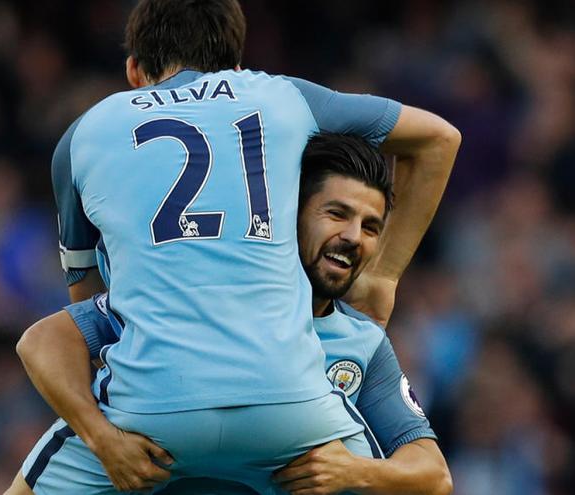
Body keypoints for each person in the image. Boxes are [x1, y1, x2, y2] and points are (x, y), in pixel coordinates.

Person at [47, 0, 460, 490]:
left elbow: (85, 313)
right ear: (239, 65)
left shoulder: (82, 134)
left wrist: (102, 433)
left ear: (134, 71)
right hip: (294, 410)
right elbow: (439, 138)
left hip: (152, 411)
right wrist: (383, 276)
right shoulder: (282, 96)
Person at [8, 133, 453, 495]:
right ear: (287, 216)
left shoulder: (363, 341)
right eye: (336, 214)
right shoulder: (199, 299)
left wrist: (355, 472)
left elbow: (432, 474)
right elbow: (43, 340)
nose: (354, 237)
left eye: (370, 226)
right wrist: (101, 439)